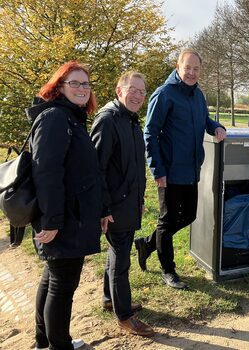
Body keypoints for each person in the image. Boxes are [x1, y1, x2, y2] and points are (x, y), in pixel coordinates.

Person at [28, 61, 111, 350]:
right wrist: (51, 221)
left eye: (86, 84)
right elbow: (46, 171)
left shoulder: (71, 118)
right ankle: (59, 345)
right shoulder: (55, 118)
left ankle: (44, 342)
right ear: (59, 87)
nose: (82, 89)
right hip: (63, 220)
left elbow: (84, 173)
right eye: (74, 83)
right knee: (62, 286)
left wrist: (101, 209)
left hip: (70, 216)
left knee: (53, 278)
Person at [135, 48, 227, 289]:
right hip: (170, 170)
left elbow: (205, 120)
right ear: (178, 67)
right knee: (166, 221)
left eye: (196, 69)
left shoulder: (198, 95)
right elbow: (150, 133)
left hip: (192, 168)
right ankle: (169, 270)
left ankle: (147, 244)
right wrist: (158, 170)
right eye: (188, 68)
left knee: (188, 216)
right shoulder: (164, 94)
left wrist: (216, 126)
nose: (192, 72)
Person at [90, 72, 154, 337]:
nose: (138, 96)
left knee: (116, 255)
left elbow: (135, 166)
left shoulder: (130, 120)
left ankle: (109, 298)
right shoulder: (107, 120)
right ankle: (125, 316)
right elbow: (96, 170)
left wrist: (139, 200)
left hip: (129, 202)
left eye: (142, 91)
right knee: (121, 262)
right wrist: (103, 209)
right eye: (133, 90)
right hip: (114, 206)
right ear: (119, 91)